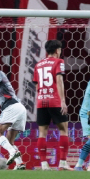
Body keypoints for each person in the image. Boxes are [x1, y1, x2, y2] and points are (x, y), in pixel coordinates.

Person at [34, 40, 70, 171]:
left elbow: (37, 85)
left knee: (42, 133)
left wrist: (42, 96)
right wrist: (63, 101)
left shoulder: (38, 65)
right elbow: (59, 81)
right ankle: (62, 162)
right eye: (60, 50)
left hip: (41, 101)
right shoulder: (59, 62)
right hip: (54, 100)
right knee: (64, 129)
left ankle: (44, 164)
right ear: (57, 50)